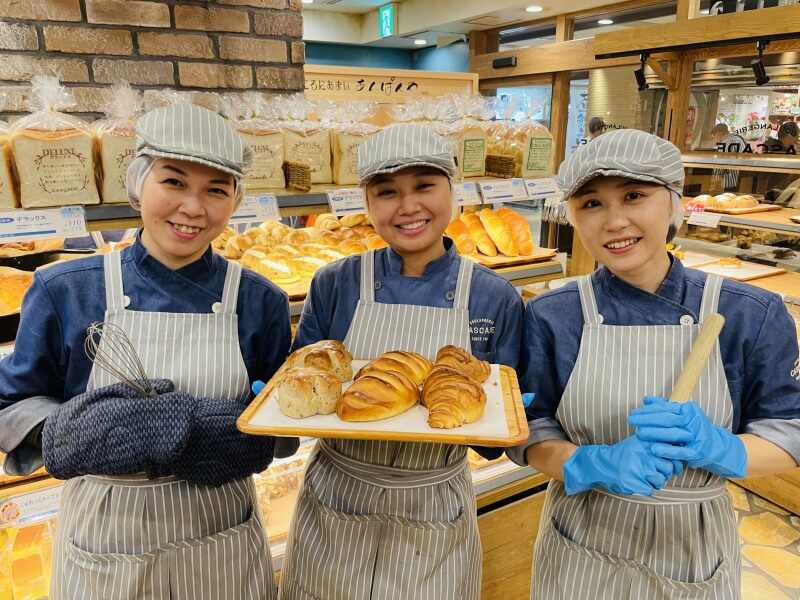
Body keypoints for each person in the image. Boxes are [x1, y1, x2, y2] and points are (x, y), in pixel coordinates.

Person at [0, 104, 293, 599]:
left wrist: (253, 436)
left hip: (220, 535)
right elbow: (12, 406)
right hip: (107, 538)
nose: (193, 208)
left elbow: (283, 423)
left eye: (215, 190)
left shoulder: (261, 301)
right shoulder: (65, 289)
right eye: (174, 182)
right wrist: (72, 430)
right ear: (138, 183)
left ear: (235, 200)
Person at [509, 129, 800, 599]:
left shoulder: (751, 313)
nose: (614, 221)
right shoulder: (553, 313)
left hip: (690, 541)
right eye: (591, 204)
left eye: (634, 196)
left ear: (674, 203)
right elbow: (531, 428)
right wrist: (588, 463)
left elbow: (789, 432)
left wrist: (722, 449)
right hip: (581, 534)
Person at [278, 124, 524, 600]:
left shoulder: (494, 296)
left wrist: (509, 418)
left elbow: (496, 439)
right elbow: (307, 382)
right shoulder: (334, 283)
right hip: (337, 497)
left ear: (453, 191)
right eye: (387, 192)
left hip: (434, 501)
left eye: (425, 187)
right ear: (366, 204)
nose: (408, 207)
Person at [709, 123, 747, 191]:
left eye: (714, 137)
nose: (714, 140)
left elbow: (721, 163)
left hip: (730, 179)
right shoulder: (738, 138)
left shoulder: (726, 142)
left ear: (719, 133)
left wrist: (714, 179)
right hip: (741, 178)